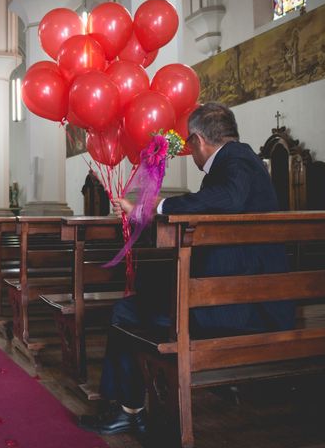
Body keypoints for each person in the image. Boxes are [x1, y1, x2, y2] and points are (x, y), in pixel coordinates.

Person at [80, 102, 295, 438]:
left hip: (237, 311)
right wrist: (143, 210)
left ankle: (127, 410)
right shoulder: (242, 161)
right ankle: (126, 406)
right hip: (252, 300)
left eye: (189, 145)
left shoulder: (235, 160)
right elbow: (215, 201)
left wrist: (156, 205)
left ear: (196, 140)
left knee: (127, 310)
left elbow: (228, 199)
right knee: (143, 304)